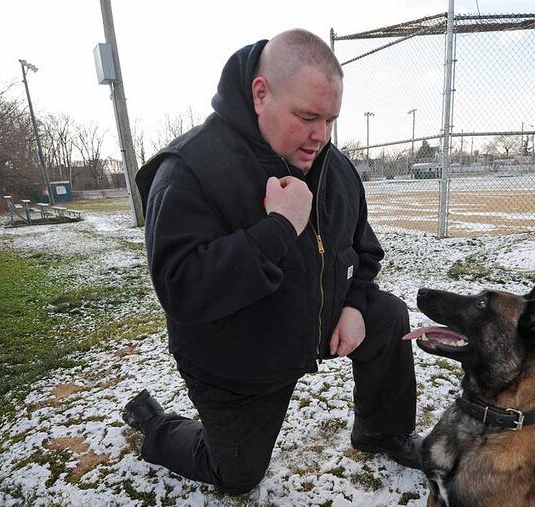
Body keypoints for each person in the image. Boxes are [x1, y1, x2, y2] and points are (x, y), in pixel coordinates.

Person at [124, 29, 421, 494]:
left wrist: (356, 305)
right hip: (240, 358)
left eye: (330, 120)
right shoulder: (188, 169)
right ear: (261, 94)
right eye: (306, 116)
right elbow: (181, 288)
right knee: (237, 475)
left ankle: (383, 432)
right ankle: (156, 427)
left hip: (314, 324)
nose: (320, 136)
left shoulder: (335, 168)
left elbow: (364, 250)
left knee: (386, 315)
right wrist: (278, 229)